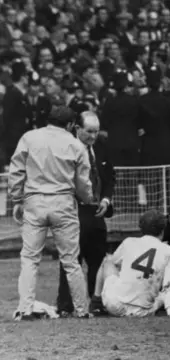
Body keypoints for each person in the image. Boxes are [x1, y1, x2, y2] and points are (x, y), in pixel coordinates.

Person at [9, 105, 94, 320]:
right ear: (70, 125)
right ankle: (82, 310)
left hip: (35, 201)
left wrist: (17, 199)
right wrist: (87, 199)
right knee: (71, 261)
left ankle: (26, 308)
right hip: (63, 202)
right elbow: (83, 183)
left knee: (29, 258)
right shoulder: (76, 145)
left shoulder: (29, 137)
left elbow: (17, 170)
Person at [57, 111, 116, 317]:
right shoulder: (66, 149)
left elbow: (110, 178)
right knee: (71, 258)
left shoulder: (101, 148)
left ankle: (96, 301)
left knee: (97, 258)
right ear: (77, 129)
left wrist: (106, 200)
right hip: (74, 210)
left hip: (97, 212)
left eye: (96, 132)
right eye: (89, 131)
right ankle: (65, 306)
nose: (93, 136)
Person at [92, 210, 170, 318]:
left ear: (141, 228)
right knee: (163, 291)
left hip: (115, 305)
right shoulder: (169, 250)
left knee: (107, 261)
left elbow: (114, 263)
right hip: (143, 312)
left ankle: (96, 304)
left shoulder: (128, 242)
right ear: (163, 230)